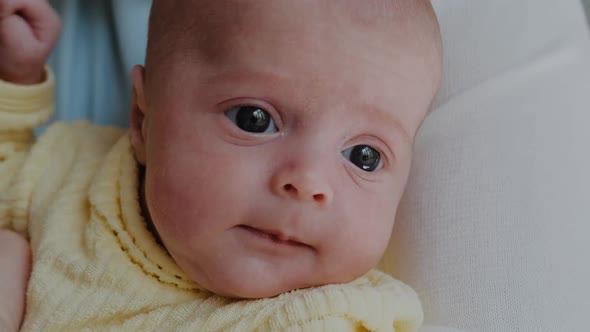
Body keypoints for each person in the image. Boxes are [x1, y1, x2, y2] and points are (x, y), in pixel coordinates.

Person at [0, 0, 442, 330]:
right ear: (143, 120)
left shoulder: (326, 318)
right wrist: (14, 76)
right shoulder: (77, 176)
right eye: (255, 120)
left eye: (364, 157)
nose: (309, 182)